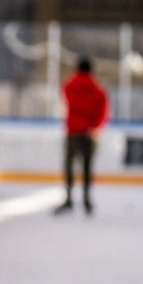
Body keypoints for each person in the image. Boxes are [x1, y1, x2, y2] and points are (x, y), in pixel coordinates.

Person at [55, 57, 108, 215]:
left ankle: (69, 199)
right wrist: (96, 127)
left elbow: (68, 101)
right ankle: (86, 201)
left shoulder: (69, 85)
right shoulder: (98, 89)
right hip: (90, 133)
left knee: (69, 165)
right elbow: (103, 111)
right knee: (87, 167)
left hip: (73, 131)